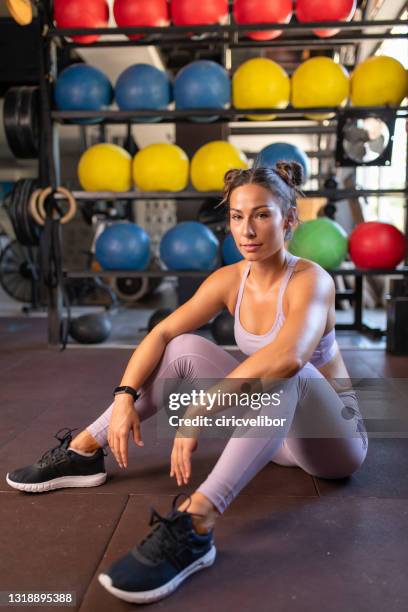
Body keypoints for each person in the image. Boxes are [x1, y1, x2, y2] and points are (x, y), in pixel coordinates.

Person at [6, 163, 368, 605]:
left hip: (334, 437)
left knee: (285, 374)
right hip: (277, 436)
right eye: (237, 216)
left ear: (289, 219)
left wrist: (201, 409)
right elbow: (159, 334)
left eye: (261, 215)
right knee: (182, 347)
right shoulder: (229, 280)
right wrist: (124, 397)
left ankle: (196, 524)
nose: (246, 230)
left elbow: (290, 357)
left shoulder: (312, 280)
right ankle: (85, 450)